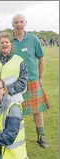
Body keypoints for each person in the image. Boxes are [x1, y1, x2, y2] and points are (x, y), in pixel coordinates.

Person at [12, 14, 50, 148]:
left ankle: (42, 137)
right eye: (16, 22)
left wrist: (40, 77)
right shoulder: (9, 40)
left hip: (32, 79)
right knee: (15, 110)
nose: (19, 24)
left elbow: (41, 57)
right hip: (15, 81)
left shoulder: (33, 39)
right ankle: (15, 137)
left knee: (37, 110)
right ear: (13, 24)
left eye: (21, 22)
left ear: (25, 23)